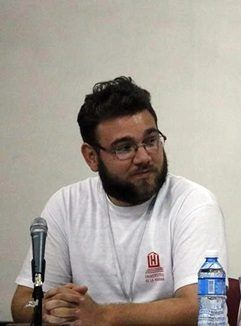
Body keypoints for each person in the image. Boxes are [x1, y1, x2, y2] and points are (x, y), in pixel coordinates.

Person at [11, 76, 228, 325]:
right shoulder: (66, 205)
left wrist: (102, 316)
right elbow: (23, 301)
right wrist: (49, 309)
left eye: (151, 140)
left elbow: (198, 307)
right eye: (125, 147)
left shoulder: (192, 203)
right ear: (92, 157)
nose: (144, 156)